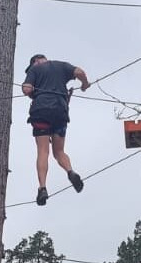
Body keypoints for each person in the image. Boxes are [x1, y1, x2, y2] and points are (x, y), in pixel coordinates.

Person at [21, 54, 90, 206]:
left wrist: (29, 88)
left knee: (43, 151)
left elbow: (26, 89)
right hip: (60, 111)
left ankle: (42, 188)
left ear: (36, 61)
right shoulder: (61, 65)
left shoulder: (35, 69)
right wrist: (84, 84)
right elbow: (79, 72)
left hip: (41, 111)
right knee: (59, 152)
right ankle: (70, 171)